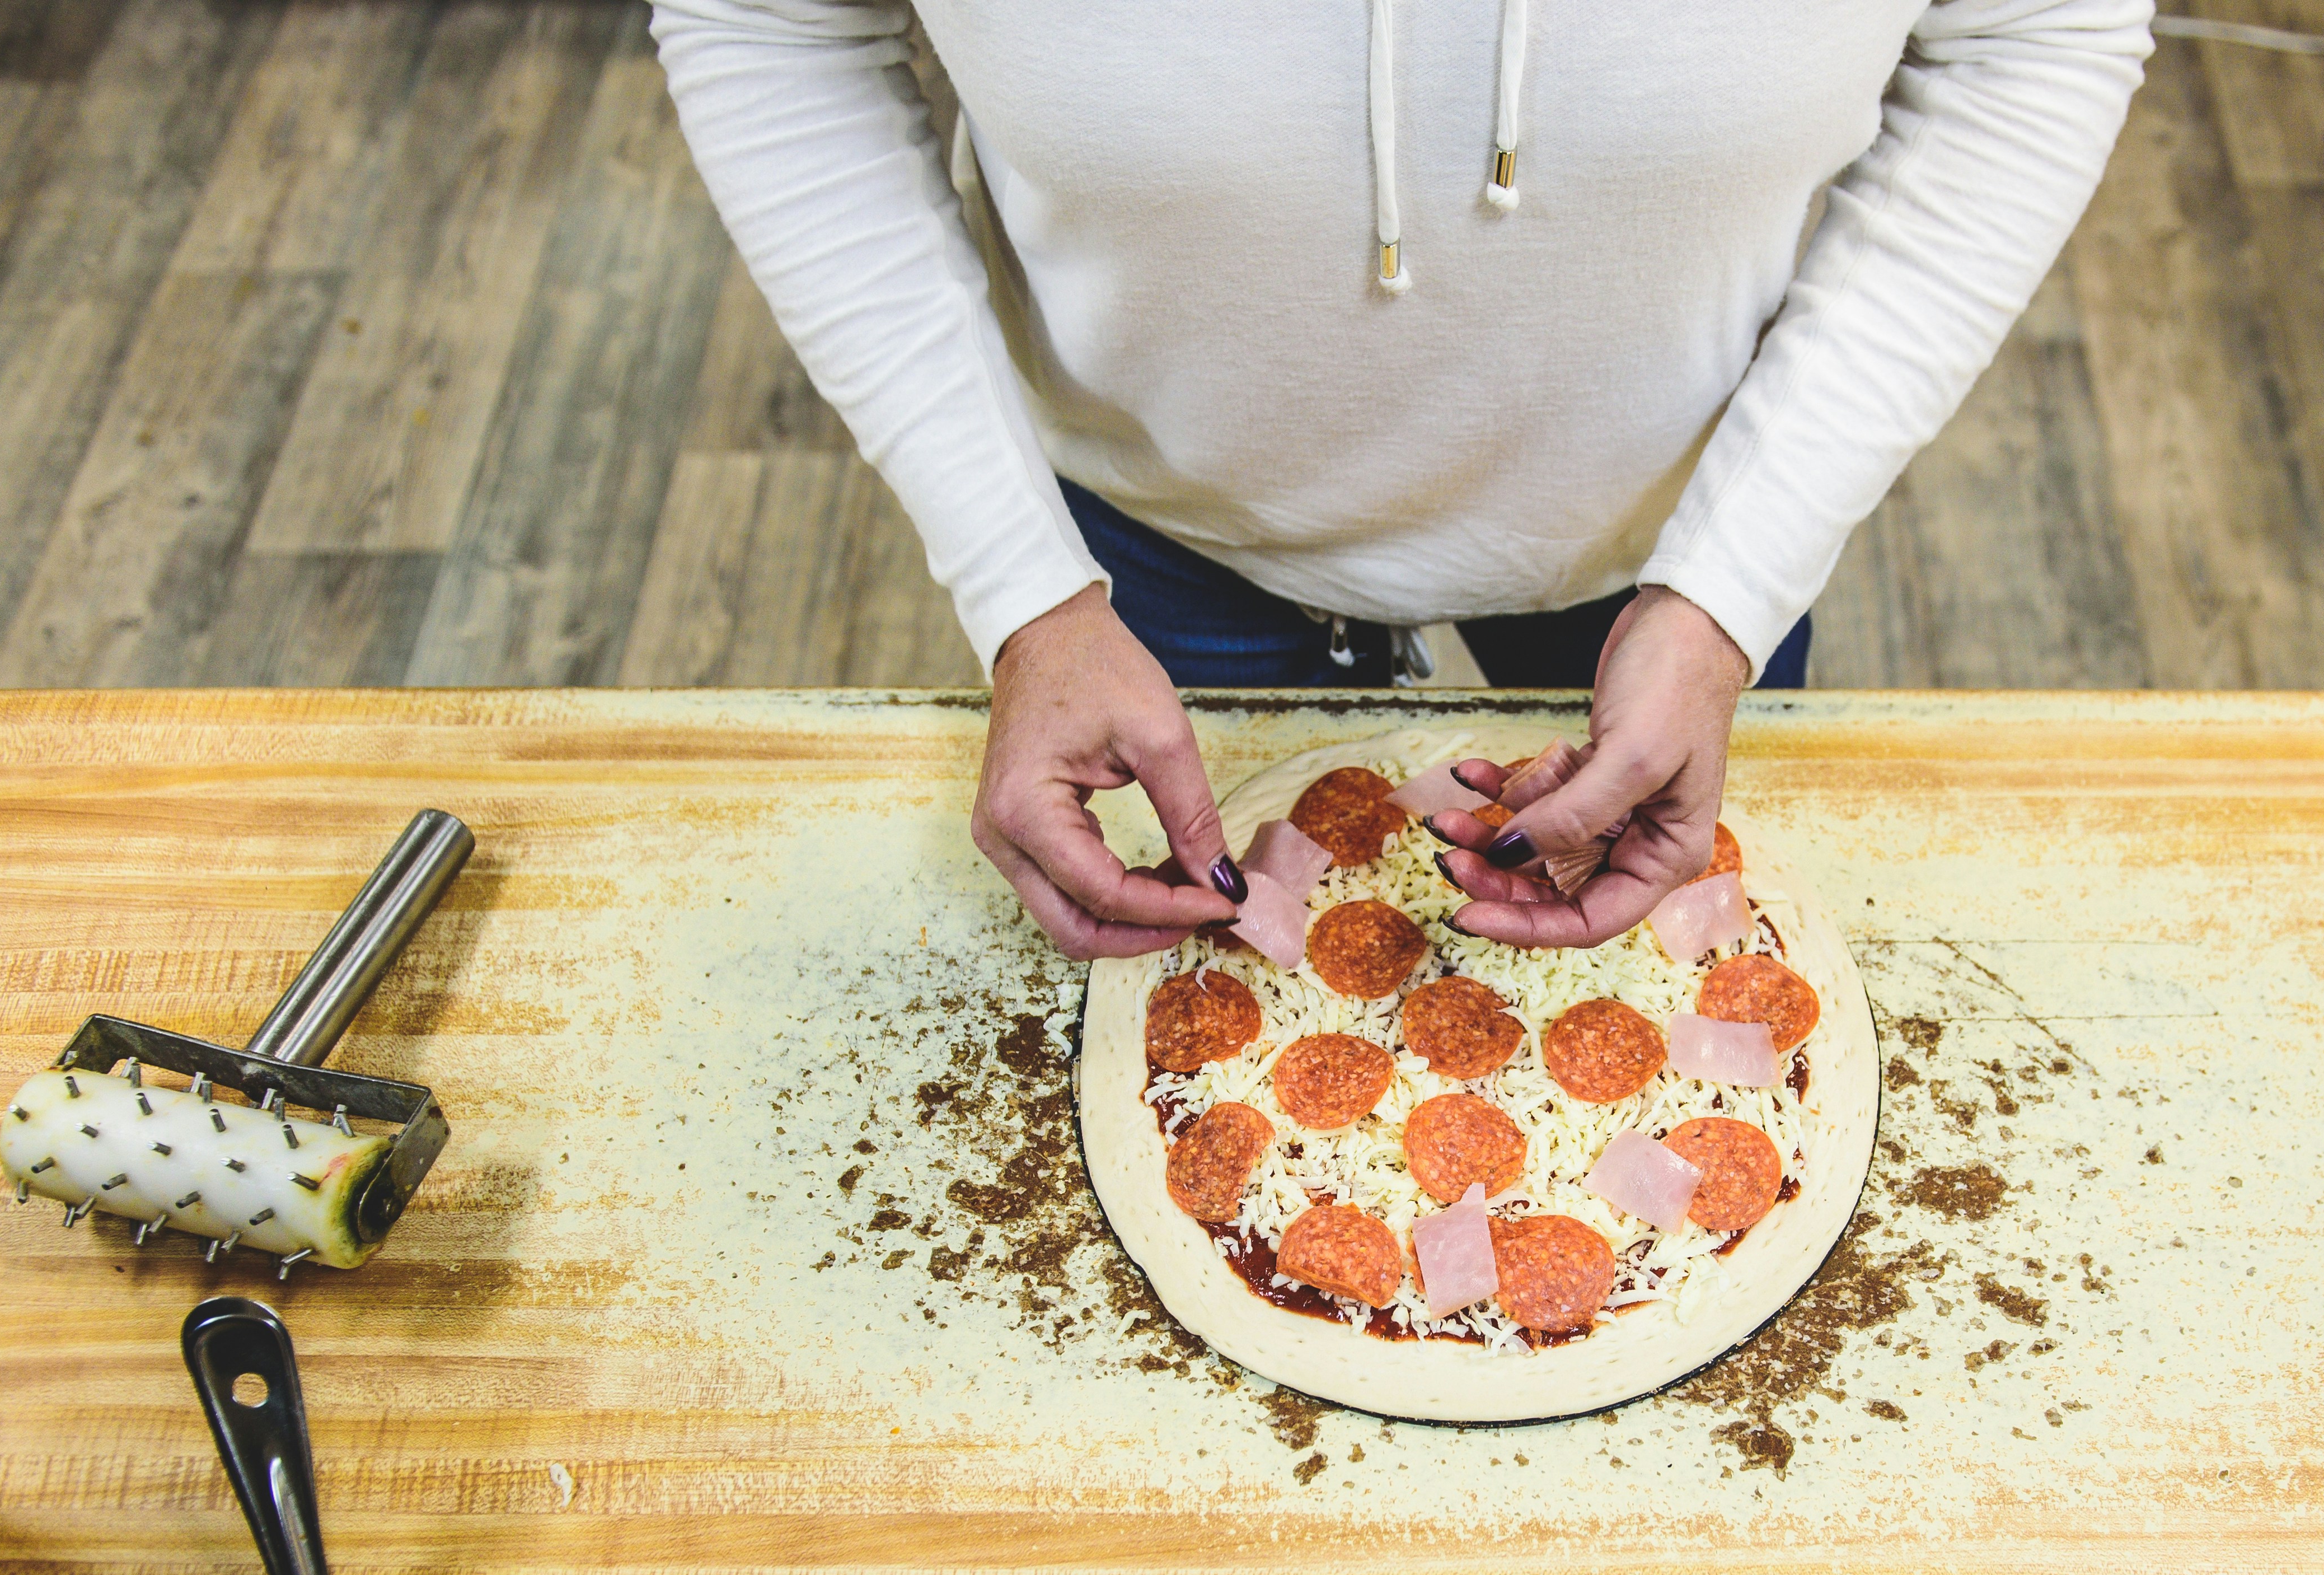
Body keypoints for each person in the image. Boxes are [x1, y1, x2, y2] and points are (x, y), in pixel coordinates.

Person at [648, 0, 2153, 954]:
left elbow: (2034, 33)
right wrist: (1019, 588)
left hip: (1687, 536)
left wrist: (1732, 588)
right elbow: (771, 22)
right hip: (1133, 541)